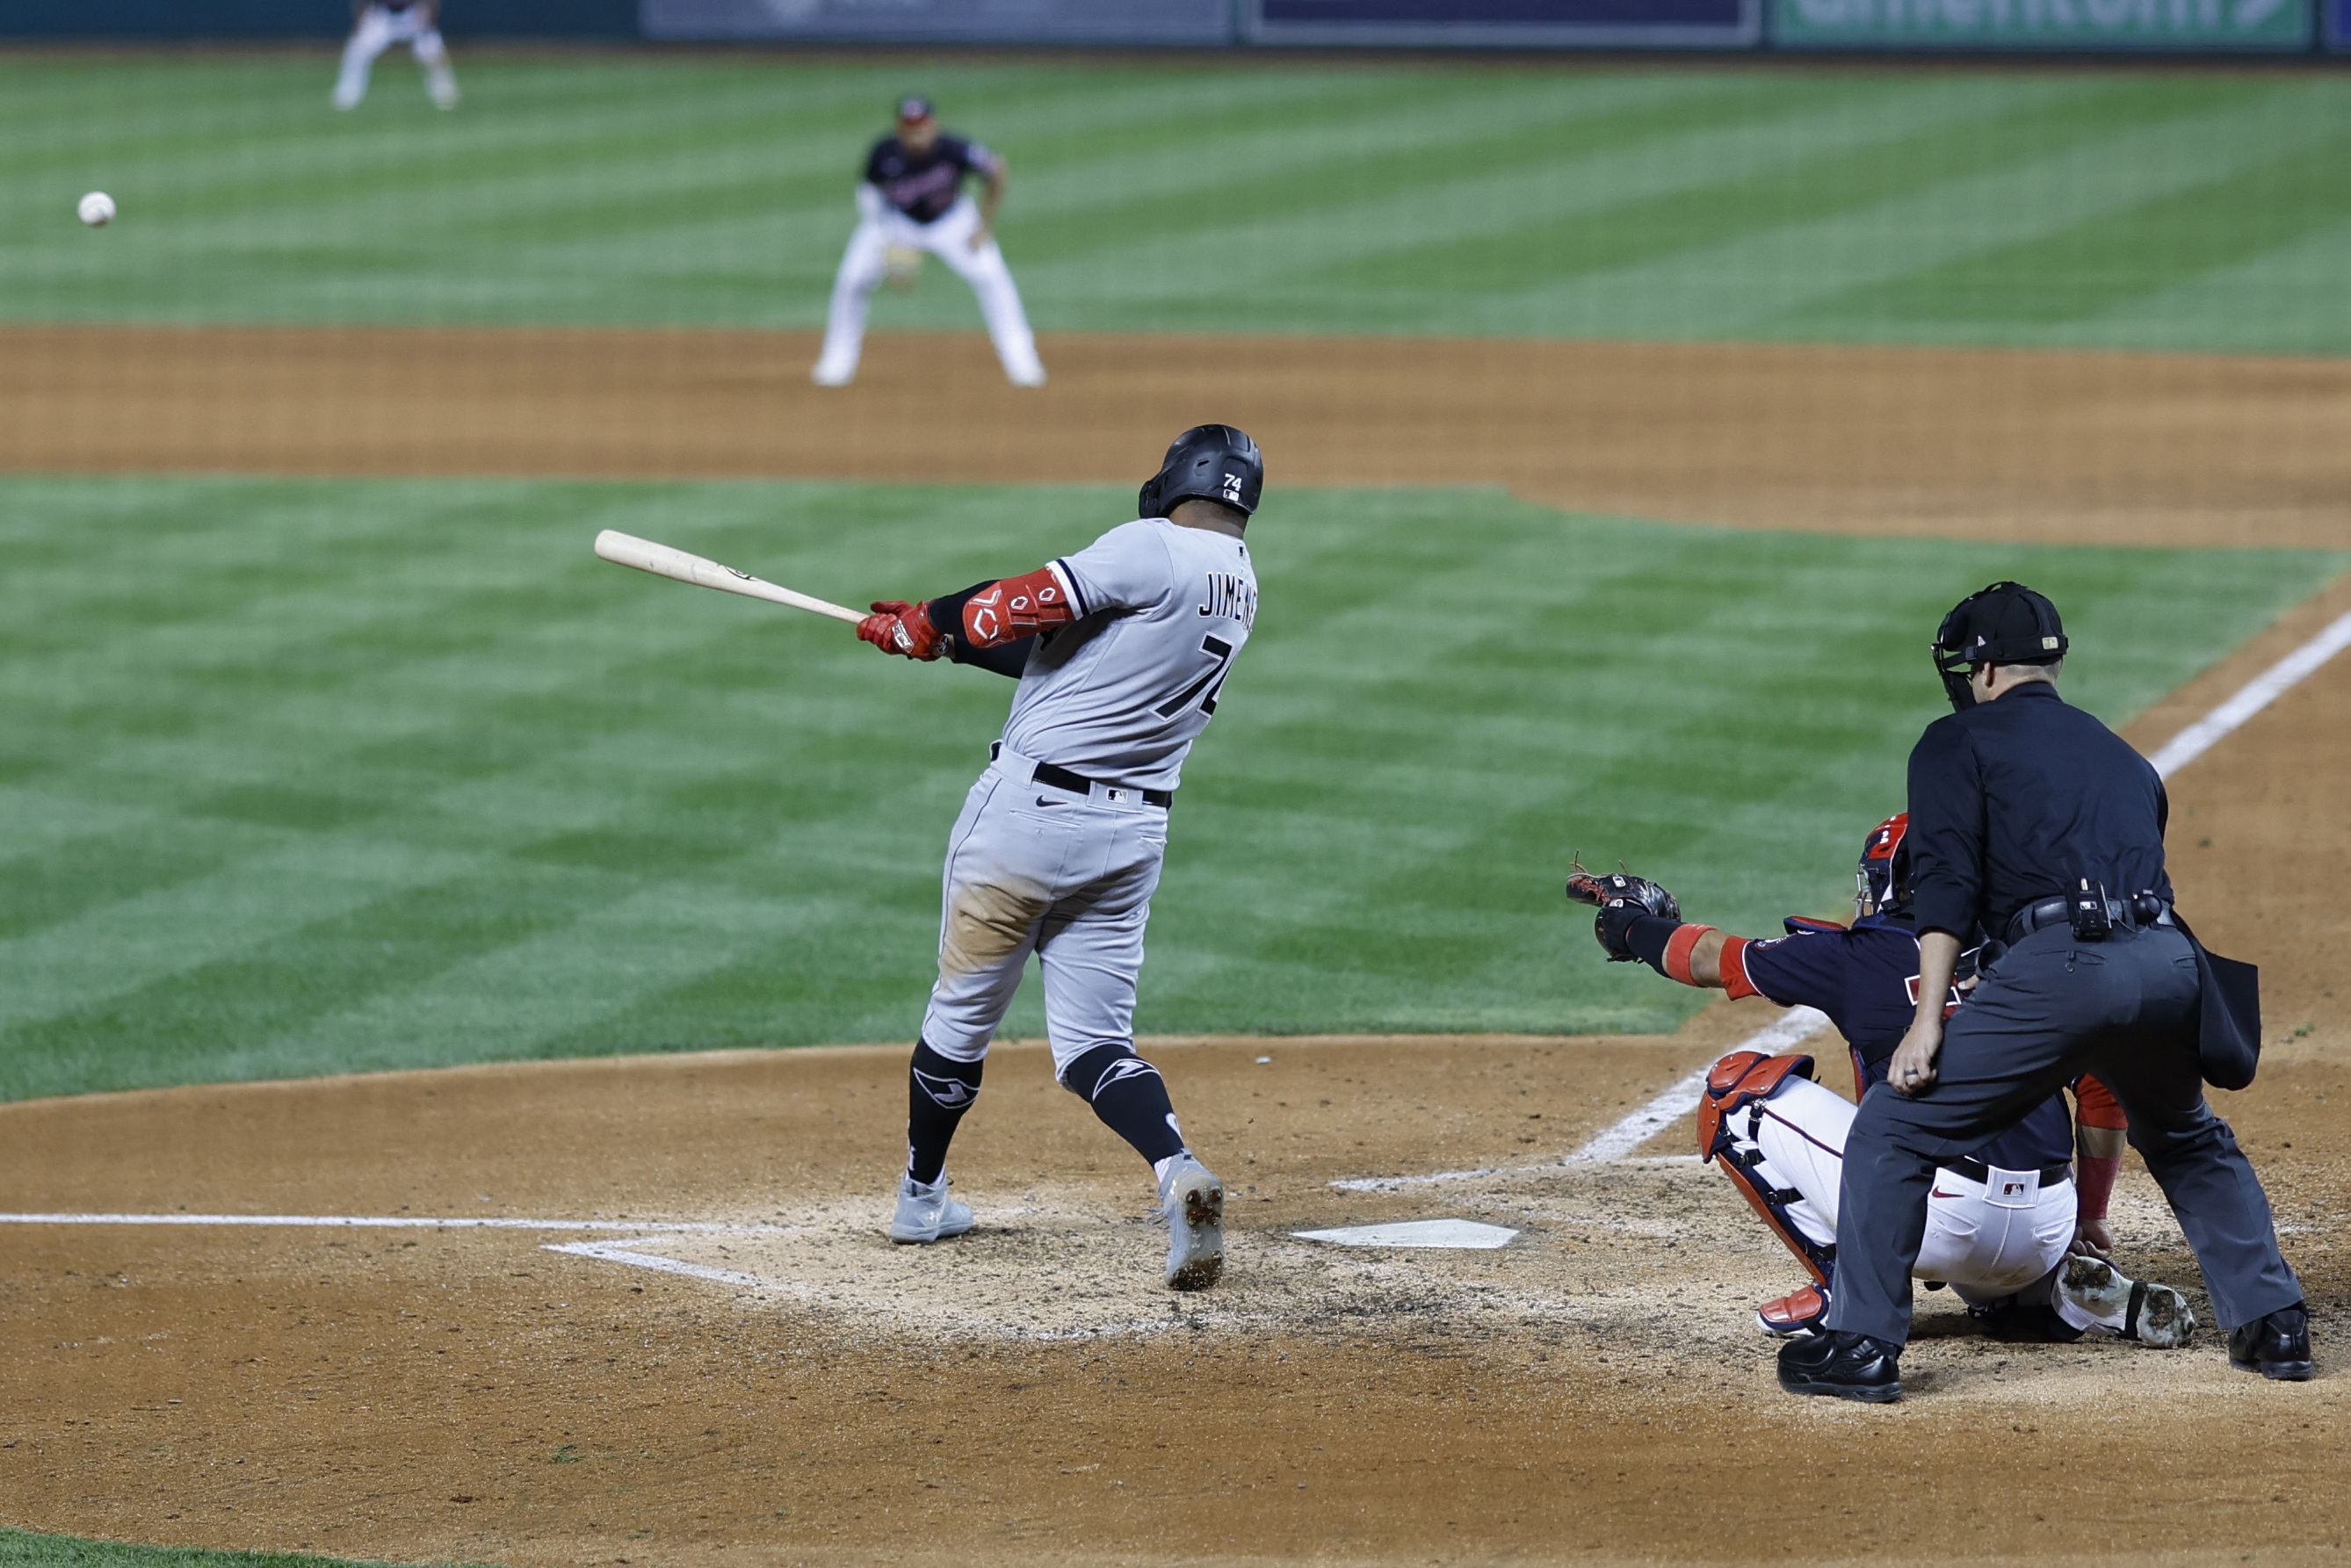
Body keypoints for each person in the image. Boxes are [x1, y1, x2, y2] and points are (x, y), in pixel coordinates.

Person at [1782, 582, 2309, 1400]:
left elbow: (1948, 884)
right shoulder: (2123, 754)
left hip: (2066, 966)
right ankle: (2275, 1326)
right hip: (2171, 962)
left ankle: (1860, 1345)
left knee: (1893, 1125)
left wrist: (1926, 1024)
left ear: (1984, 667)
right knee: (2187, 1134)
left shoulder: (1954, 743)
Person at [850, 426, 1263, 1290]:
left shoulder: (1151, 545)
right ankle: (1176, 1169)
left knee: (962, 1017)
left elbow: (1013, 607)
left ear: (1174, 479)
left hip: (1024, 824)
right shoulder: (1239, 581)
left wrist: (929, 623)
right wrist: (946, 636)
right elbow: (1073, 660)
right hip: (1129, 840)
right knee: (1095, 1047)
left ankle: (921, 1197)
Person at [1572, 815, 2192, 1348]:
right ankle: (2052, 1292)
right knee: (1994, 1232)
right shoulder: (2030, 954)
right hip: (2049, 1222)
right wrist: (2090, 1211)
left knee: (1735, 1094)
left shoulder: (1854, 955)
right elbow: (2103, 1090)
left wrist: (1628, 926)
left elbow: (1707, 956)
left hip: (1939, 1224)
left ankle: (1845, 1289)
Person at [812, 97, 1045, 389]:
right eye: (910, 127)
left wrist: (983, 226)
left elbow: (998, 170)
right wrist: (893, 249)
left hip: (953, 223)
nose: (917, 132)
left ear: (933, 125)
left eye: (922, 126)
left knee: (991, 277)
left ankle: (1022, 361)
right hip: (896, 223)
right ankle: (838, 361)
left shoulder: (954, 148)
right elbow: (870, 196)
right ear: (899, 128)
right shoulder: (883, 152)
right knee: (852, 279)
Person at [332, 0, 458, 112]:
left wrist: (428, 20)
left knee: (432, 48)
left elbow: (431, 4)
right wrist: (362, 18)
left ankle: (444, 92)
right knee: (358, 48)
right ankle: (347, 94)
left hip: (412, 13)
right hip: (382, 15)